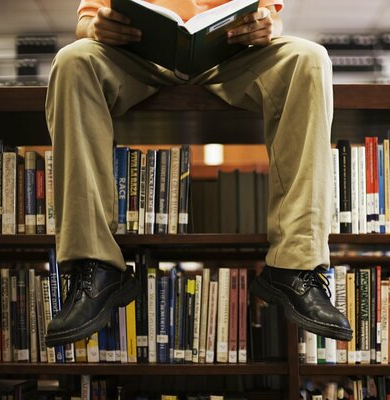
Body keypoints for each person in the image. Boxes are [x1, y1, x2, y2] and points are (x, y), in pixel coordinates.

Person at [44, 0, 352, 347]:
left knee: (309, 59)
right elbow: (87, 22)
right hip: (135, 56)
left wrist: (268, 26)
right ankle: (95, 266)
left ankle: (295, 267)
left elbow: (271, 18)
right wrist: (97, 28)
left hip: (232, 58)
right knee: (73, 61)